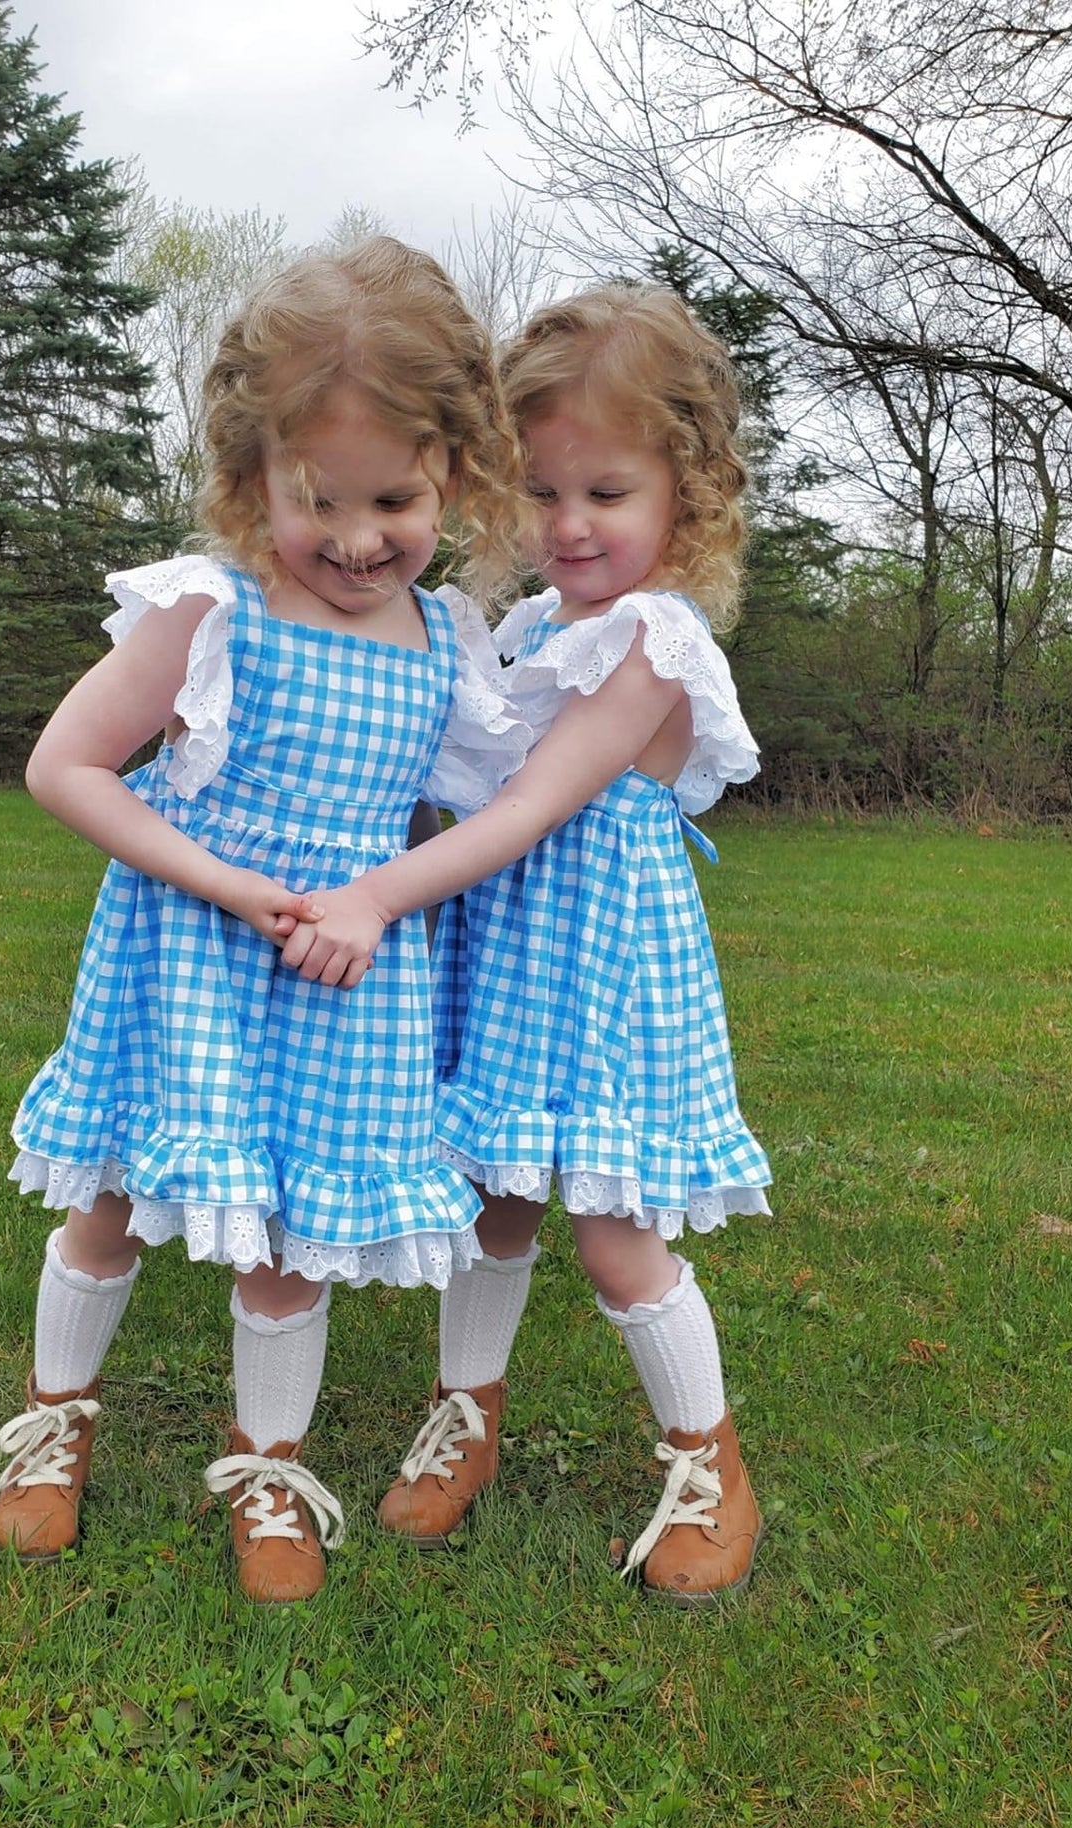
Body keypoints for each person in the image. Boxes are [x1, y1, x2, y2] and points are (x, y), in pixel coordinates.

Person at [0, 238, 530, 1602]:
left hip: (348, 975)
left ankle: (267, 1464)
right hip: (190, 953)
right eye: (316, 499)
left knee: (296, 1227)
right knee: (114, 1191)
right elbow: (65, 767)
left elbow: (472, 812)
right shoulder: (208, 610)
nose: (356, 539)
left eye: (394, 499)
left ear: (453, 471)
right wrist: (225, 882)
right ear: (252, 477)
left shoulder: (447, 642)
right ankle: (55, 1421)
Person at [278, 284, 771, 1604]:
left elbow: (531, 802)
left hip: (599, 955)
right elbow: (437, 756)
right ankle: (465, 1416)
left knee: (611, 1228)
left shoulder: (655, 643)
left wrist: (378, 895)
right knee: (490, 1195)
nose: (567, 526)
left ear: (687, 490)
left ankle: (706, 1464)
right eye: (540, 492)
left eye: (605, 493)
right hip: (506, 945)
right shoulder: (528, 626)